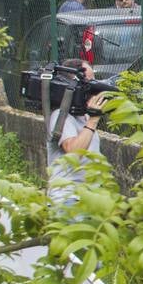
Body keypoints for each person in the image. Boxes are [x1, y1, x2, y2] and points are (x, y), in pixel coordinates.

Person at [46, 58, 106, 205]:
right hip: (67, 199)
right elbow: (74, 153)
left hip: (88, 198)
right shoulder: (60, 116)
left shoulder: (84, 116)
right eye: (90, 81)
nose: (94, 87)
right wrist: (93, 120)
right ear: (74, 85)